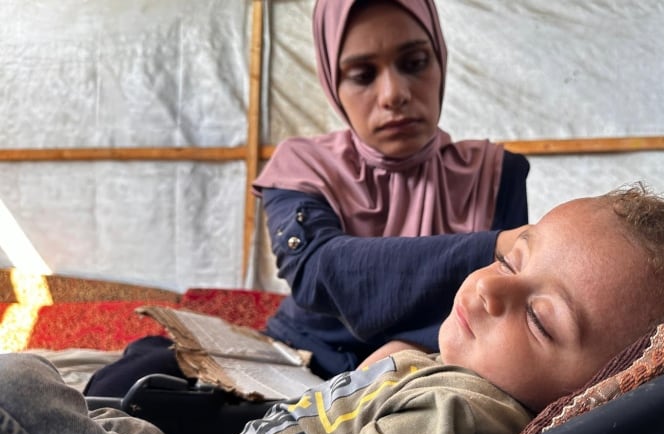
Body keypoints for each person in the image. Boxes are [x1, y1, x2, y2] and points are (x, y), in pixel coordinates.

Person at [1, 185, 664, 434]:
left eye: (541, 321)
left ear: (588, 397)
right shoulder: (448, 381)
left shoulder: (462, 411)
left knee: (25, 385)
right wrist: (398, 366)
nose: (485, 288)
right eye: (511, 257)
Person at [84, 0, 531, 397]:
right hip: (299, 357)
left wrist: (413, 350)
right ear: (332, 83)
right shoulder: (302, 165)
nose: (394, 94)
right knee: (130, 382)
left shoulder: (494, 173)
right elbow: (319, 269)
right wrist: (492, 245)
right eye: (361, 75)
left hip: (428, 368)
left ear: (440, 61)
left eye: (414, 62)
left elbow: (502, 307)